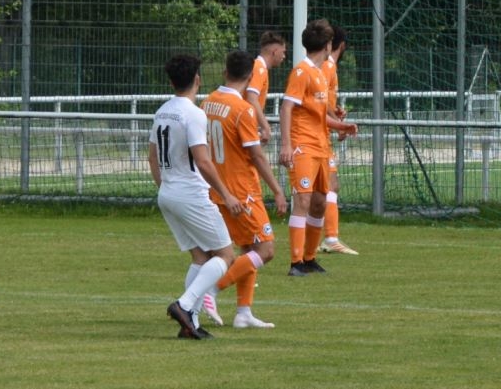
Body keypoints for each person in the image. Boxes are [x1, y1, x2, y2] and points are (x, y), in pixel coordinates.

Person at [150, 54, 253, 340]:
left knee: (200, 257)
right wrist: (227, 195)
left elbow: (152, 157)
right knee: (226, 255)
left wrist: (166, 188)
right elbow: (204, 161)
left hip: (167, 193)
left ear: (171, 82)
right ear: (197, 79)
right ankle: (184, 305)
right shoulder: (194, 114)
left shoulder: (162, 111)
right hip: (190, 194)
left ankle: (191, 322)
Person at [199, 50, 291, 329]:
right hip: (243, 190)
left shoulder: (208, 102)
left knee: (248, 248)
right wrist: (277, 190)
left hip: (219, 188)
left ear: (225, 72)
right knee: (266, 249)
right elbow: (257, 156)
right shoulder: (242, 109)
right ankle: (211, 289)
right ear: (251, 76)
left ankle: (243, 313)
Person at [278, 20, 358, 277]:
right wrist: (287, 144)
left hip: (321, 146)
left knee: (320, 202)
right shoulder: (301, 72)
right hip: (303, 146)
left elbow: (319, 115)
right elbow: (286, 108)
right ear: (328, 45)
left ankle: (310, 258)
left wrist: (341, 126)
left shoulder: (320, 74)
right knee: (303, 200)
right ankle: (295, 262)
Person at [318, 24, 359, 255]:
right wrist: (339, 125)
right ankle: (330, 238)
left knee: (323, 190)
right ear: (341, 46)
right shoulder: (328, 66)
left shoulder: (326, 67)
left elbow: (325, 102)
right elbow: (320, 101)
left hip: (322, 135)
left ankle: (326, 239)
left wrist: (335, 113)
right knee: (329, 186)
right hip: (317, 138)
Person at [246, 32, 288, 140]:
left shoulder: (258, 66)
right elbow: (251, 98)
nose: (284, 56)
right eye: (283, 52)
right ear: (275, 52)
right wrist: (265, 126)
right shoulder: (259, 68)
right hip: (245, 125)